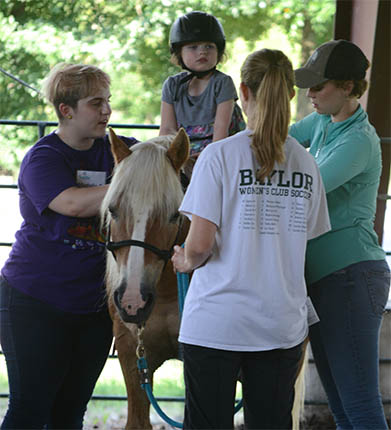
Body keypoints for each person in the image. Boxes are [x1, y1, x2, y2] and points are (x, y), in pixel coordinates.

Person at [171, 48, 331, 429]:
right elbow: (304, 239)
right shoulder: (306, 163)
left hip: (216, 324)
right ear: (291, 94)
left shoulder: (218, 156)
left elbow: (200, 246)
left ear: (242, 91)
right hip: (279, 325)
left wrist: (183, 260)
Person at [0, 63, 137, 429]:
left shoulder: (120, 150)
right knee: (30, 409)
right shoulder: (43, 158)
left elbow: (164, 163)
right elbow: (73, 204)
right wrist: (133, 182)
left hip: (94, 306)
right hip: (34, 299)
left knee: (70, 411)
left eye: (107, 101)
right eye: (96, 103)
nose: (107, 111)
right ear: (67, 110)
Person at [290, 39, 391, 429]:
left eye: (320, 85)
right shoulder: (321, 122)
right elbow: (271, 140)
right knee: (343, 410)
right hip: (327, 279)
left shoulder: (357, 141)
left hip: (351, 277)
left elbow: (304, 191)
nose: (310, 94)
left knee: (360, 408)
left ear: (348, 87)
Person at [159, 10, 245, 158]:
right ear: (179, 52)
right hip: (183, 155)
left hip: (220, 152)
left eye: (209, 46)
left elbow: (220, 132)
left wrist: (201, 162)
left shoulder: (222, 83)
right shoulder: (172, 85)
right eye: (193, 47)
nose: (202, 52)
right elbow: (167, 130)